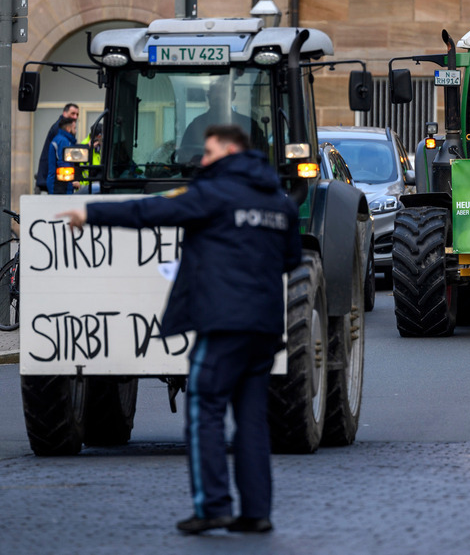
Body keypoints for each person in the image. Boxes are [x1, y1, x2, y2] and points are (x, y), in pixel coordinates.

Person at [58, 124, 302, 535]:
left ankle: (213, 507)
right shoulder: (281, 203)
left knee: (204, 409)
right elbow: (291, 259)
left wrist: (90, 212)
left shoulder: (213, 193)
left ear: (228, 151)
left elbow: (149, 211)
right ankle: (256, 512)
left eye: (207, 152)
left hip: (223, 324)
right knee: (252, 421)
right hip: (263, 327)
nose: (202, 160)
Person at [35, 103, 79, 193]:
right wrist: (71, 181)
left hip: (56, 180)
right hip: (59, 182)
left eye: (77, 114)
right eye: (72, 113)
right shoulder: (62, 137)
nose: (75, 117)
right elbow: (63, 160)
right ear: (64, 113)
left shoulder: (61, 133)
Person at [46, 115, 78, 194]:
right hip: (60, 185)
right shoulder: (63, 141)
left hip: (57, 183)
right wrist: (72, 181)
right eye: (74, 128)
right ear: (68, 129)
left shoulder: (60, 139)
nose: (76, 131)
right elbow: (64, 163)